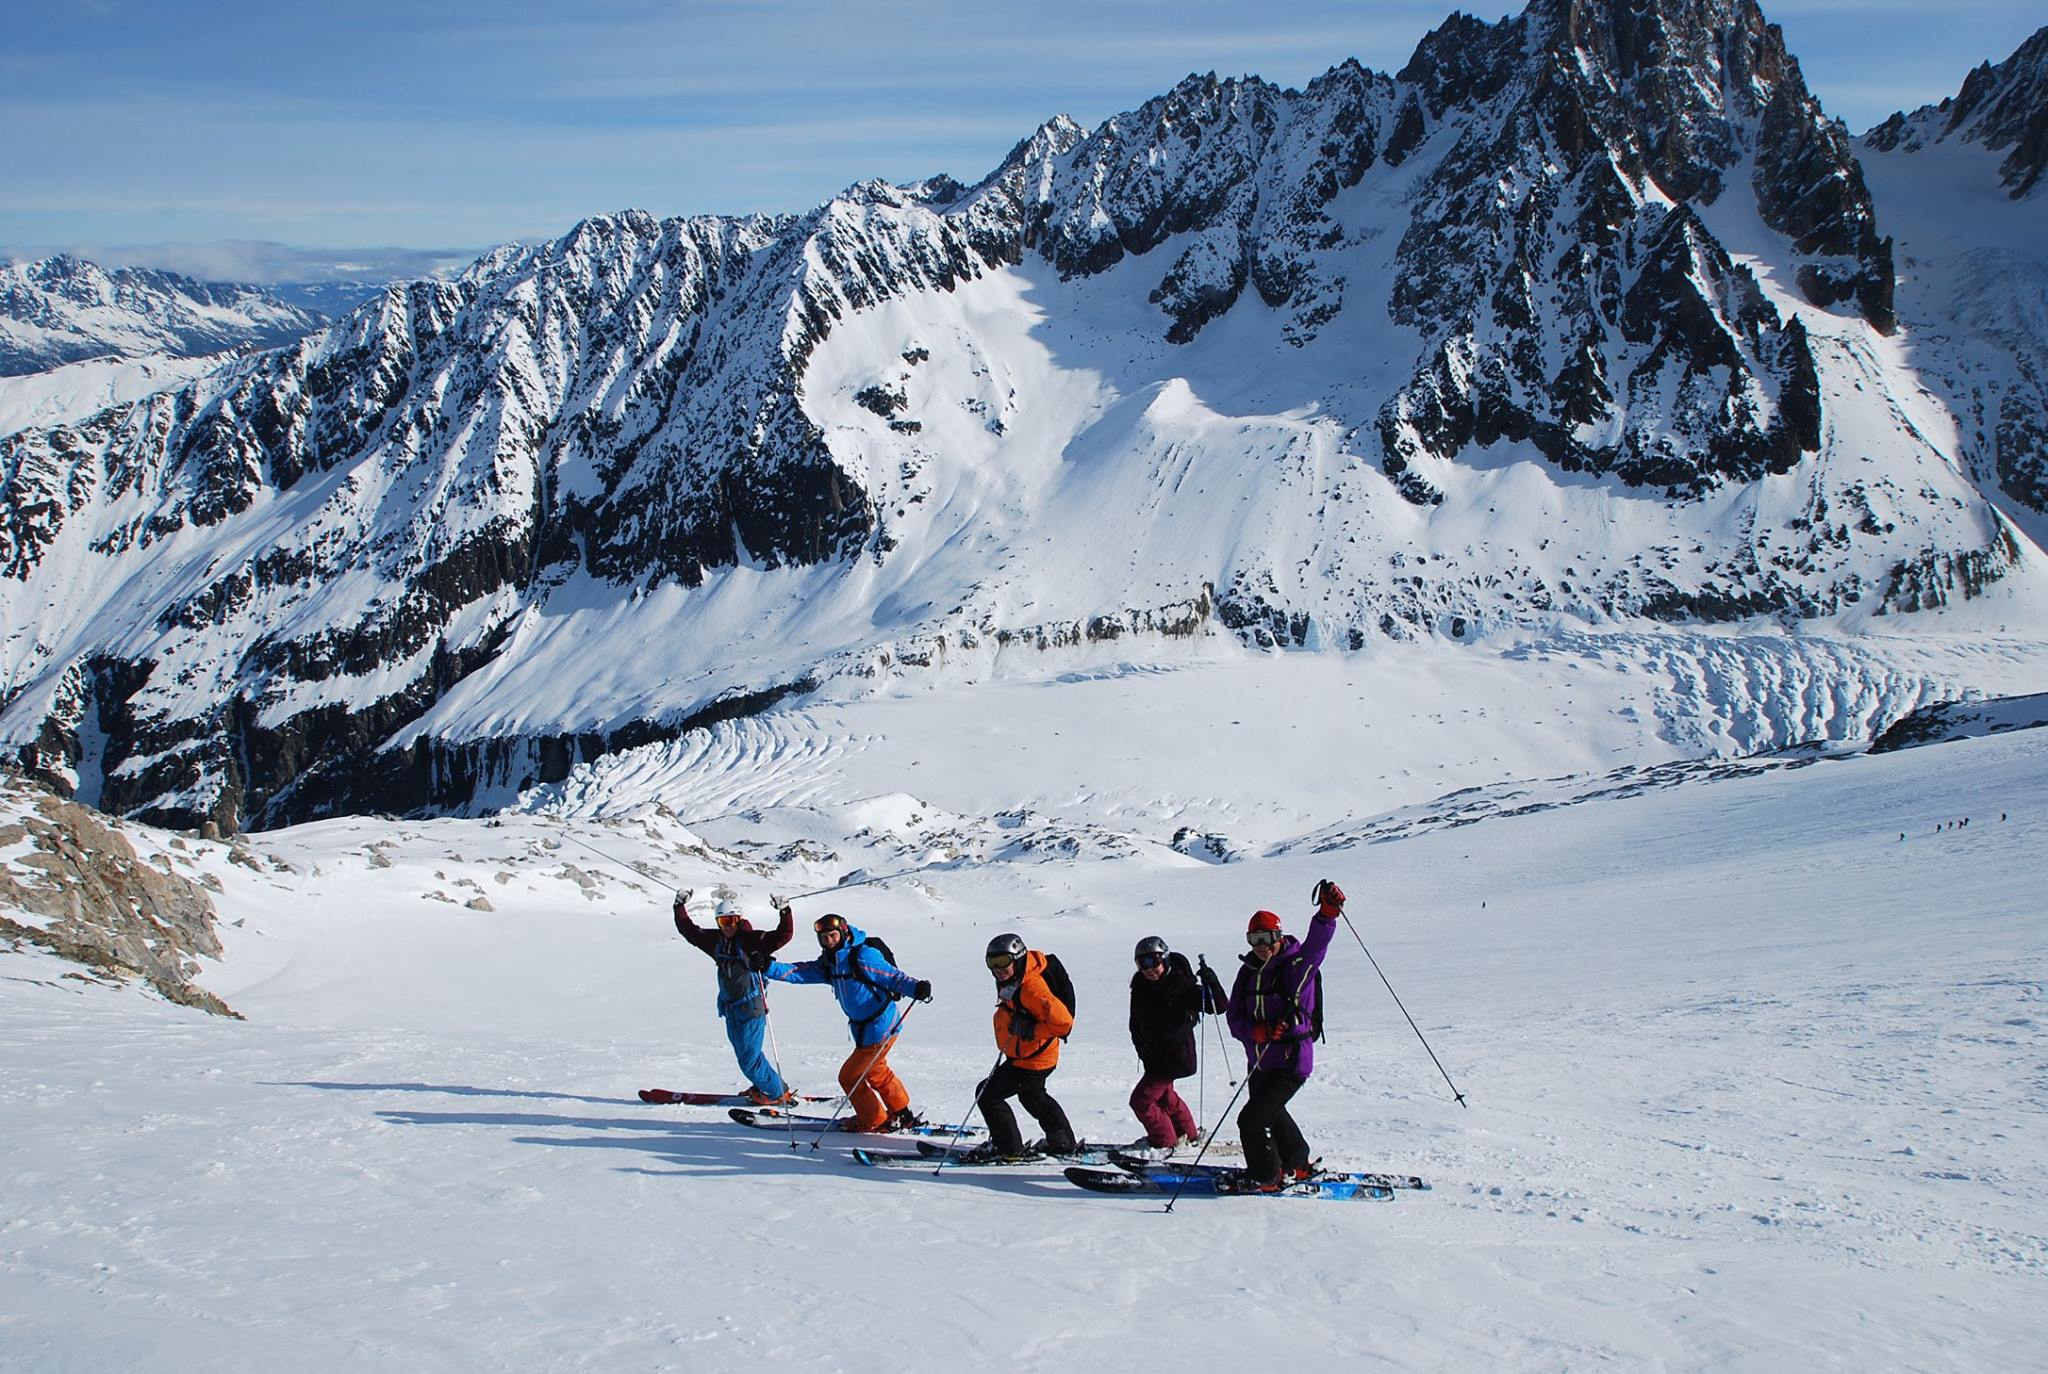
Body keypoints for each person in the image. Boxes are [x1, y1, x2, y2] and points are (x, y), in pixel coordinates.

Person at [1224, 879, 1344, 1192]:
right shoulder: (1248, 972)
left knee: (1251, 1121)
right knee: (1272, 1114)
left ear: (1279, 935)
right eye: (1255, 938)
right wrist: (1255, 1031)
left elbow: (1317, 946)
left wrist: (1327, 914)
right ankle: (1297, 1164)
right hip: (1260, 1062)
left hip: (1291, 1063)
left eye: (1267, 937)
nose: (1262, 945)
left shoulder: (1295, 966)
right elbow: (1233, 1016)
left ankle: (1266, 1177)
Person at [764, 912, 932, 1132]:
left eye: (832, 936)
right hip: (867, 1029)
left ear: (843, 932)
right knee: (876, 1071)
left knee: (850, 1076)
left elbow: (892, 977)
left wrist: (916, 988)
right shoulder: (831, 964)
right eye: (824, 938)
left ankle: (874, 1120)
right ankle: (903, 1114)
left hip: (881, 1026)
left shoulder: (862, 956)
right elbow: (799, 972)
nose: (829, 941)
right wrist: (768, 967)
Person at [673, 889, 795, 1106]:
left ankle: (777, 1094)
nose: (727, 926)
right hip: (731, 1010)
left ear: (738, 920)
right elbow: (689, 932)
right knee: (746, 1056)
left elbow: (783, 936)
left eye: (731, 920)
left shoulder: (751, 941)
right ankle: (764, 1085)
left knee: (749, 1060)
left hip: (751, 1009)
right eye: (722, 921)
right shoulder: (717, 941)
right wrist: (678, 906)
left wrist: (784, 911)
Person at [973, 933, 1078, 1159]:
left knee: (987, 1094)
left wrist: (1033, 1030)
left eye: (1003, 962)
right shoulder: (1016, 979)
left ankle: (1007, 1148)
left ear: (1018, 959)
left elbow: (1064, 1023)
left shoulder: (1032, 989)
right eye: (991, 963)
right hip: (1031, 1056)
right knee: (1032, 1096)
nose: (997, 969)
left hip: (1033, 1060)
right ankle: (1063, 1142)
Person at [1125, 935, 1226, 1155]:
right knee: (1166, 1097)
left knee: (1141, 1102)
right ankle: (1187, 1135)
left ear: (1166, 959)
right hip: (1154, 1057)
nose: (1149, 969)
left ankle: (1165, 1142)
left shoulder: (1179, 986)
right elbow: (1135, 1022)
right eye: (1143, 963)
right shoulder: (1141, 987)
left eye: (1154, 961)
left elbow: (1218, 1006)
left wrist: (1213, 983)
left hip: (1174, 1057)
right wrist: (1140, 1047)